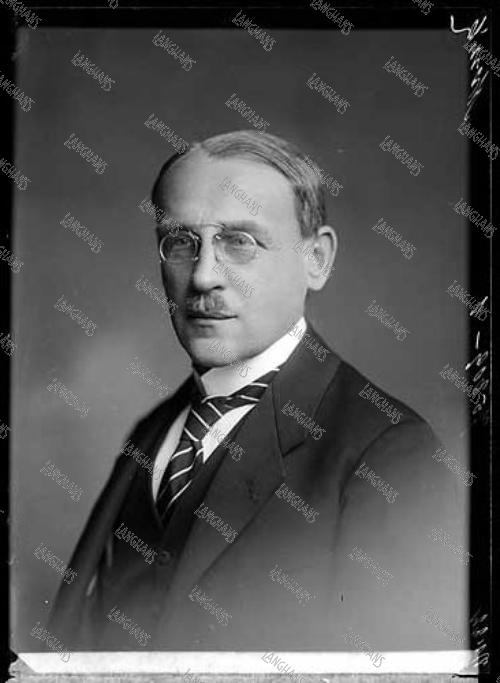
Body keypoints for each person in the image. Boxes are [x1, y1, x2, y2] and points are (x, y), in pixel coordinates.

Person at [49, 130, 467, 652]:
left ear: (317, 259)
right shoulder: (154, 431)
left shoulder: (392, 455)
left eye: (239, 242)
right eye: (180, 241)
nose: (203, 277)